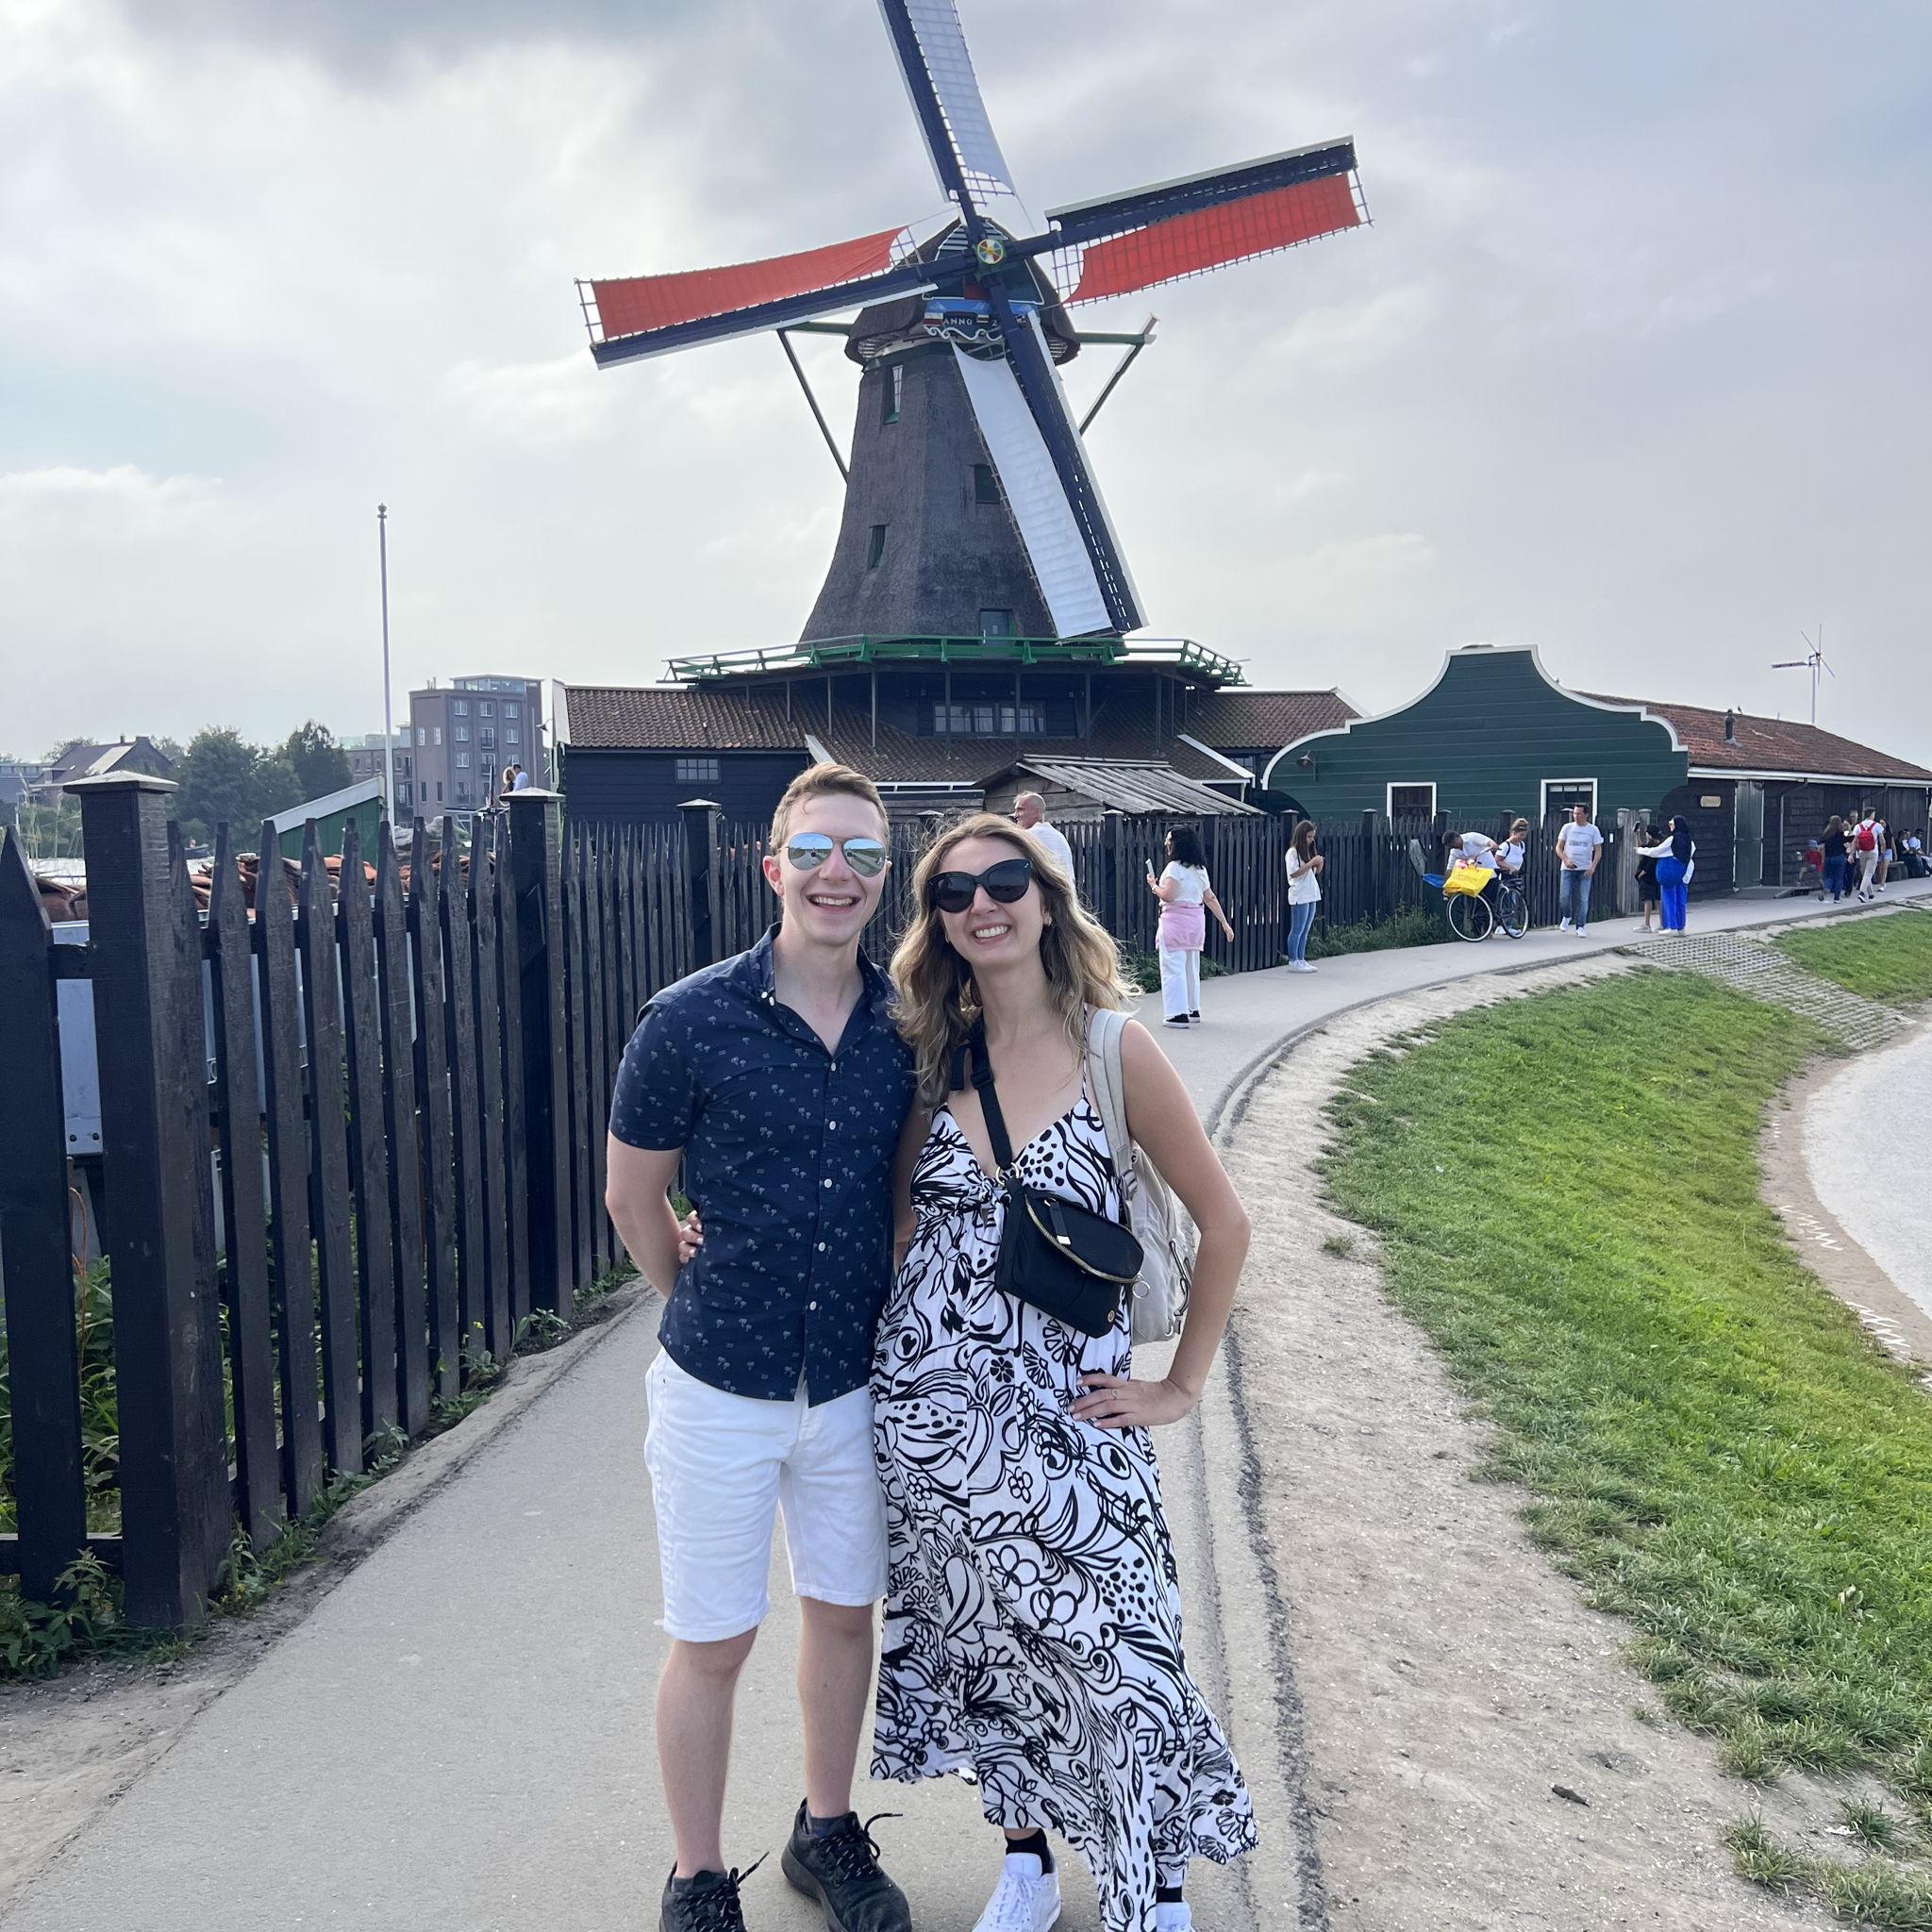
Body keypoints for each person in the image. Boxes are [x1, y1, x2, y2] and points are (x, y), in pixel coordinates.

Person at [876, 811, 1257, 1932]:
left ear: (1046, 898)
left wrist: (1181, 1384)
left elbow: (1224, 1222)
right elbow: (900, 1224)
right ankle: (1028, 1862)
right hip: (935, 1428)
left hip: (1077, 1417)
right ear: (936, 924)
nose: (981, 904)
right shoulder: (930, 1058)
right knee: (987, 1652)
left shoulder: (1112, 1045)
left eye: (1004, 881)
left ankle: (1155, 1882)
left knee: (1121, 1652)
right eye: (953, 892)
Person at [605, 762, 917, 1932]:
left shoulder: (907, 1022)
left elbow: (901, 1194)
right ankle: (695, 1877)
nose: (838, 873)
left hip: (848, 1378)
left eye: (864, 855)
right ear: (772, 863)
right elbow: (632, 1198)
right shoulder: (689, 1018)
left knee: (843, 1610)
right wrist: (685, 1284)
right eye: (816, 850)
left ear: (884, 875)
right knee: (714, 1635)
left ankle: (824, 1827)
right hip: (717, 1383)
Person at [1147, 825, 1234, 1025]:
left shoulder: (1174, 868)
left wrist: (1153, 885)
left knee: (1172, 966)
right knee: (1190, 966)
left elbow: (1168, 895)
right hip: (1195, 921)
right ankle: (1193, 1008)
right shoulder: (1200, 870)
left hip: (1175, 921)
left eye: (1169, 840)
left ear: (1177, 843)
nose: (1167, 843)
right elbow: (1209, 897)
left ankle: (1177, 1014)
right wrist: (1224, 923)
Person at [1553, 803, 1605, 934]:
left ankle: (1580, 926)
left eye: (1579, 814)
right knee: (1564, 896)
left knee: (1583, 898)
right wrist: (1565, 860)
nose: (1576, 816)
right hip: (1568, 867)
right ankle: (1567, 915)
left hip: (1585, 868)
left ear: (1586, 815)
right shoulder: (1567, 828)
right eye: (1574, 813)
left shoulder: (1593, 830)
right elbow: (1558, 847)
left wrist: (1593, 866)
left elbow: (1598, 850)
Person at [1640, 816, 1696, 931]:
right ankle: (1681, 927)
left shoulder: (1672, 840)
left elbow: (1657, 851)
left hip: (1671, 873)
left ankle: (1671, 926)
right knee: (1681, 901)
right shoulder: (1690, 841)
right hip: (1684, 872)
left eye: (1671, 823)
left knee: (1669, 897)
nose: (1670, 825)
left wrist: (1640, 850)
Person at [1281, 819, 1323, 972]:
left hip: (1311, 893)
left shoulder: (1308, 852)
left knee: (1305, 929)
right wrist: (1311, 863)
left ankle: (1301, 958)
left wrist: (1318, 863)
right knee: (1297, 927)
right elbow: (1294, 873)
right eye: (1309, 837)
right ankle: (1293, 960)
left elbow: (1314, 873)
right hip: (1300, 894)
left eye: (1313, 837)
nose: (1311, 840)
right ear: (1301, 836)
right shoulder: (1292, 853)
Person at [1012, 791, 1074, 880]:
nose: (1015, 815)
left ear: (1035, 812)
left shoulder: (1029, 836)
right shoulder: (1058, 836)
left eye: (1020, 809)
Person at [1633, 824, 1660, 932]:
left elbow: (1650, 861)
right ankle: (1662, 923)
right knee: (1658, 900)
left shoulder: (1653, 846)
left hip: (1648, 876)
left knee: (1647, 899)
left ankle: (1647, 924)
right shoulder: (1657, 844)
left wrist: (1642, 873)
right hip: (1656, 876)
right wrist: (1637, 835)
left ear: (1649, 834)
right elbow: (1641, 848)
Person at [1853, 807, 1882, 900]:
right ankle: (1862, 892)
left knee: (1865, 872)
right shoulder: (1877, 825)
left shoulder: (1858, 826)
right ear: (1871, 814)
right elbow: (1882, 840)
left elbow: (1854, 841)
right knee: (1869, 873)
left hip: (1861, 852)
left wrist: (1851, 853)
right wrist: (1883, 850)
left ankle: (1871, 894)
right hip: (1873, 851)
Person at [1822, 815, 1851, 902]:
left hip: (1828, 858)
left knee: (1829, 877)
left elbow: (1822, 846)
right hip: (1839, 857)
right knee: (1839, 878)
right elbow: (1847, 845)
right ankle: (1836, 898)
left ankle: (1826, 889)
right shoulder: (1841, 834)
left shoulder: (1826, 834)